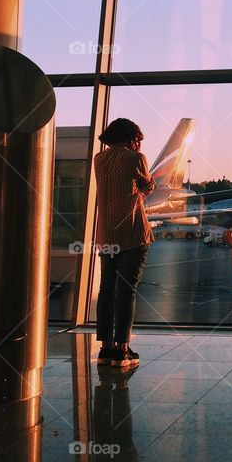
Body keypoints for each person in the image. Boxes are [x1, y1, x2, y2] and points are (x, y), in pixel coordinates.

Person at [94, 118, 156, 369]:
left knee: (106, 290)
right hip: (132, 232)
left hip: (107, 233)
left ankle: (105, 348)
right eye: (138, 140)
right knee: (126, 291)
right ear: (132, 139)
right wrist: (139, 157)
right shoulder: (135, 158)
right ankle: (122, 350)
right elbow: (147, 188)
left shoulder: (100, 160)